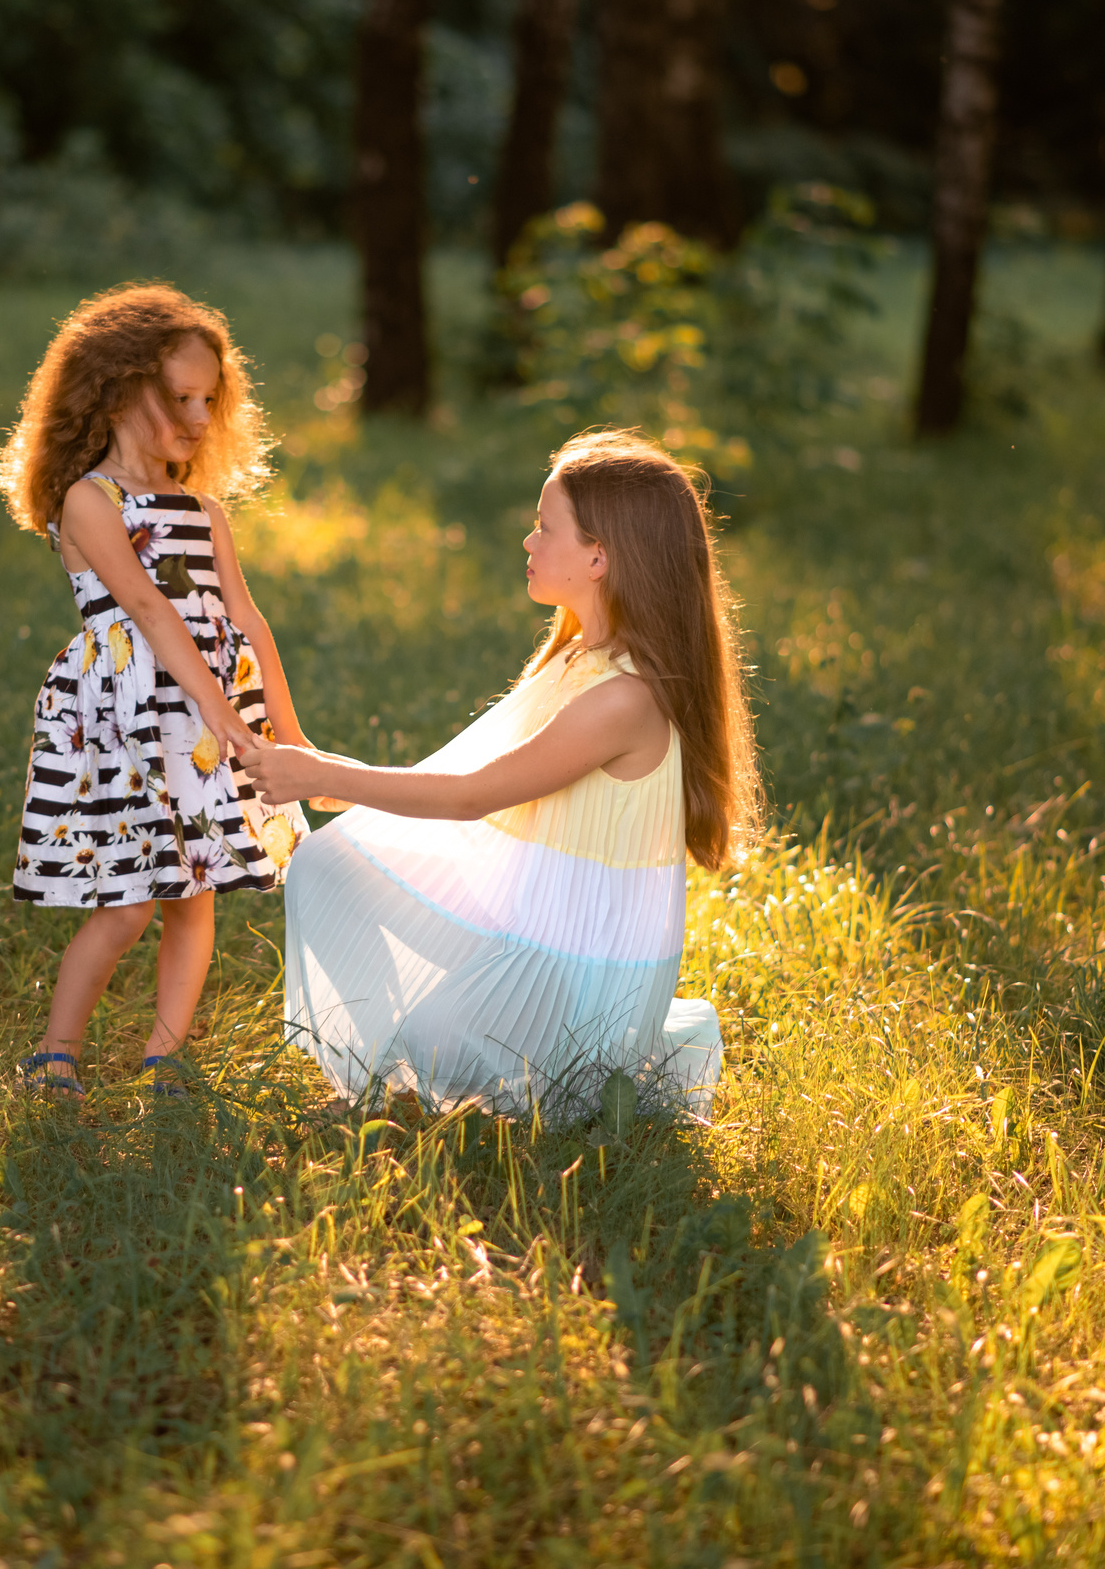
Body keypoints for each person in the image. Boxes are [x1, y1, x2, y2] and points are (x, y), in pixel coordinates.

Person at [240, 429, 759, 1118]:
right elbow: (475, 780)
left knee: (433, 1049)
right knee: (329, 867)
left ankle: (594, 1062)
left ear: (600, 556)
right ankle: (421, 1049)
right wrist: (332, 773)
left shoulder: (623, 699)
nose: (529, 542)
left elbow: (471, 796)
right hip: (537, 917)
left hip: (582, 967)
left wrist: (323, 778)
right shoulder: (575, 656)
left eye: (546, 528)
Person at [0, 285, 313, 1098]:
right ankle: (56, 1050)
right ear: (116, 389)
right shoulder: (90, 500)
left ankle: (164, 1055)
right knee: (132, 900)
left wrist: (284, 724)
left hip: (204, 715)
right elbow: (147, 609)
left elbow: (245, 616)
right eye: (180, 398)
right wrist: (214, 706)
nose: (200, 417)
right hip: (130, 715)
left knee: (195, 889)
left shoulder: (205, 510)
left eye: (211, 399)